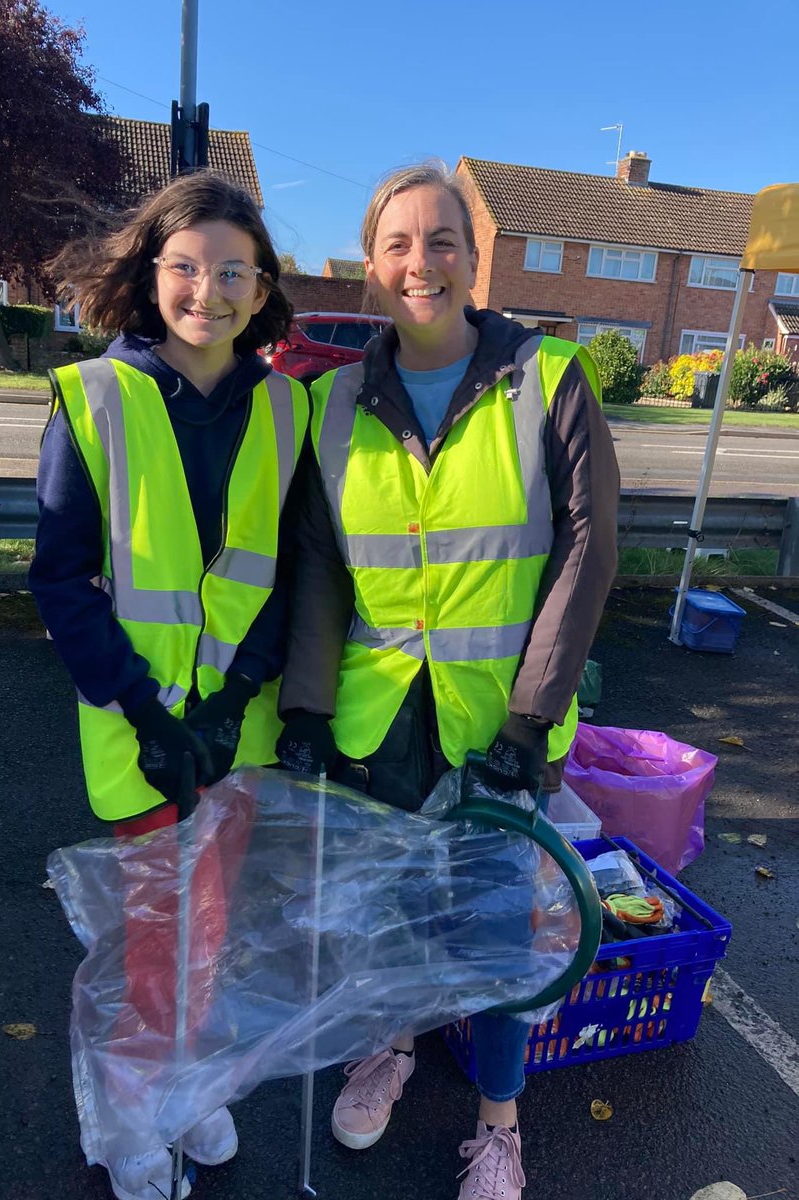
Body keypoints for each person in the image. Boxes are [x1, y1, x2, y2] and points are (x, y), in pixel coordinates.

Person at [275, 162, 619, 1200]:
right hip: (378, 714)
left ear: (473, 259)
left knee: (496, 929)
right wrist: (307, 704)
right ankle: (388, 1048)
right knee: (385, 911)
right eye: (398, 244)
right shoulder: (333, 400)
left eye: (441, 241)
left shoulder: (550, 376)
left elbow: (589, 547)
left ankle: (499, 1127)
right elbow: (320, 561)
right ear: (371, 265)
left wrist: (533, 715)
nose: (419, 262)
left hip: (501, 721)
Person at [29, 171, 308, 1200]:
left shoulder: (285, 406)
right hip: (137, 725)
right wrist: (149, 713)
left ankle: (183, 1086)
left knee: (212, 927)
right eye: (186, 266)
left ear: (261, 286)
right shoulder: (95, 396)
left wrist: (233, 704)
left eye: (234, 271)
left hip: (235, 726)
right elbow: (61, 579)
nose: (208, 291)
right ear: (150, 274)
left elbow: (285, 569)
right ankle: (133, 1117)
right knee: (156, 937)